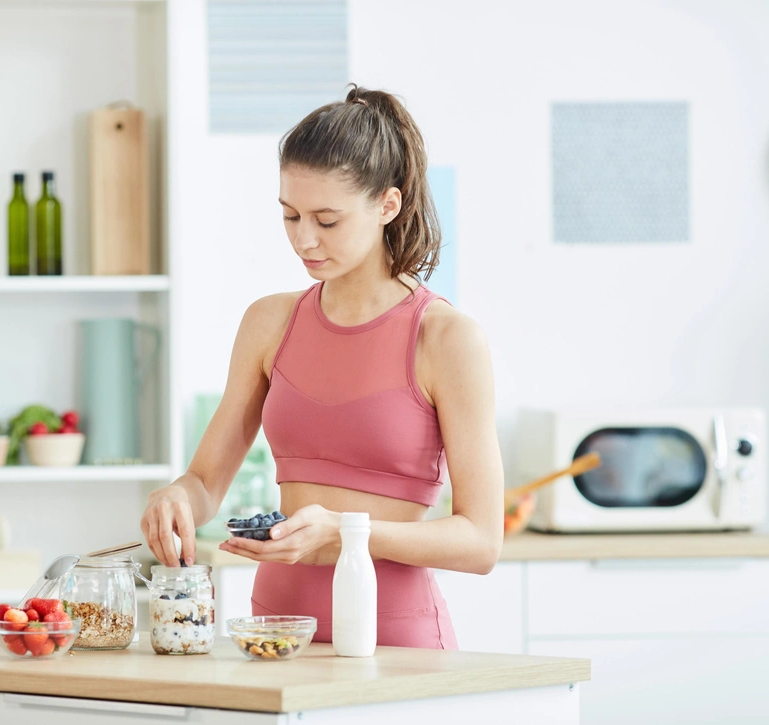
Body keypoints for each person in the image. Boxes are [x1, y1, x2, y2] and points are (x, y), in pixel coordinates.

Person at [141, 85, 504, 649]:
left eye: (327, 220)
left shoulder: (445, 338)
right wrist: (177, 498)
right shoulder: (270, 322)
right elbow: (207, 481)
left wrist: (349, 534)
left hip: (395, 639)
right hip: (274, 632)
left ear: (388, 204)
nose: (303, 239)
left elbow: (481, 542)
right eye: (290, 215)